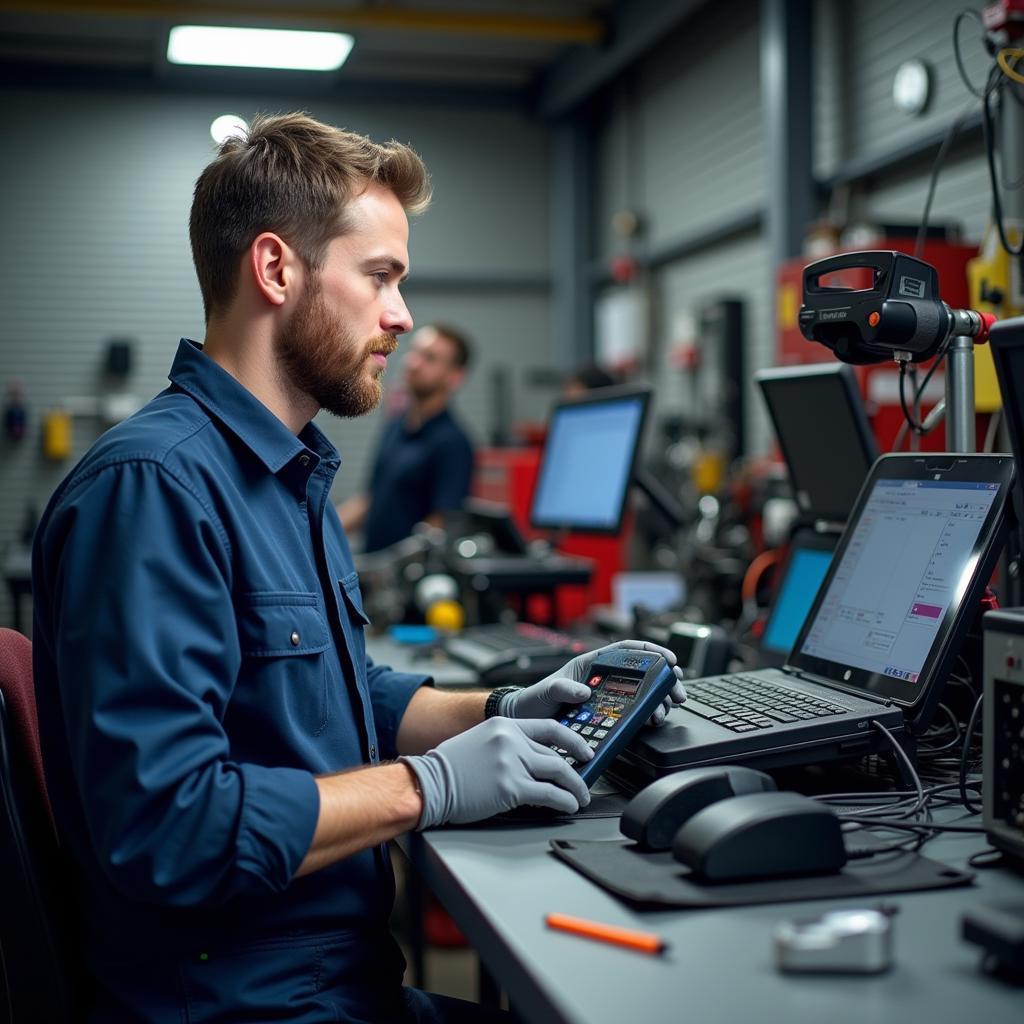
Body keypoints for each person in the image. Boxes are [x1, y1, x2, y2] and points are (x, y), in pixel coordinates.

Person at [31, 112, 687, 1024]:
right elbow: (168, 827)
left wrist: (501, 709)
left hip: (332, 980)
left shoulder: (283, 473)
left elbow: (332, 695)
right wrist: (431, 787)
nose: (402, 316)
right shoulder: (154, 490)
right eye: (379, 277)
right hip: (246, 1004)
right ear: (275, 270)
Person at [337, 322, 474, 552]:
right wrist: (322, 531)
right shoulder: (395, 426)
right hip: (372, 568)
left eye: (429, 358)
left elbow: (440, 524)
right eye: (415, 352)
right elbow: (372, 498)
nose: (413, 363)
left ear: (454, 377)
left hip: (405, 578)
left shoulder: (454, 444)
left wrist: (391, 566)